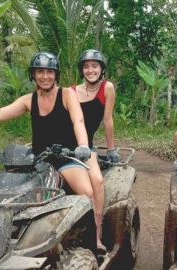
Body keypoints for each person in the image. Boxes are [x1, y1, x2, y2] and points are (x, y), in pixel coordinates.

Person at [0, 52, 96, 232]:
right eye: (40, 72)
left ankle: (92, 238)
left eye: (49, 72)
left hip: (66, 157)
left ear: (55, 74)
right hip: (37, 161)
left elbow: (79, 122)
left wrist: (82, 146)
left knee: (86, 193)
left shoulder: (67, 94)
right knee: (10, 193)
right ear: (33, 75)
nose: (45, 76)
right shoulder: (29, 100)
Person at [74, 49, 120, 254]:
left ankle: (97, 236)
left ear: (101, 69)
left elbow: (107, 119)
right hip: (67, 144)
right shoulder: (72, 90)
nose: (90, 70)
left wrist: (110, 149)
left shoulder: (107, 88)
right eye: (86, 66)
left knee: (98, 182)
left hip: (88, 147)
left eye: (94, 66)